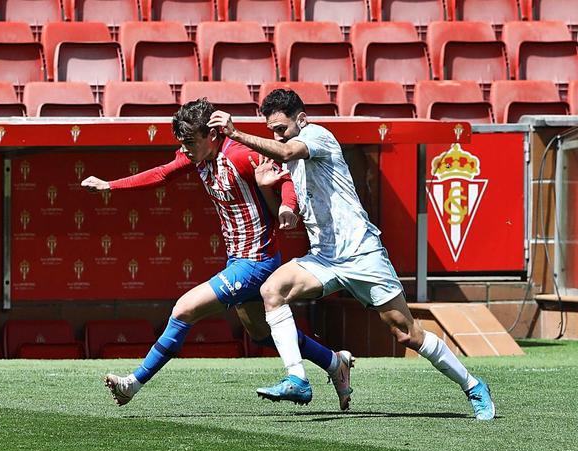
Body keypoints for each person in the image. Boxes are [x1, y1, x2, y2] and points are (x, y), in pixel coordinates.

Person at [206, 89, 496, 420]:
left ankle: (473, 385)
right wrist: (268, 191)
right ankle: (297, 378)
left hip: (362, 255)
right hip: (325, 258)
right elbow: (290, 217)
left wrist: (236, 133)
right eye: (272, 129)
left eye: (281, 128)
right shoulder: (295, 161)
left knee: (407, 333)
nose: (277, 135)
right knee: (272, 291)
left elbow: (287, 150)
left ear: (301, 120)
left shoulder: (317, 136)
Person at [81, 98, 354, 409]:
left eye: (189, 142)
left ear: (212, 135)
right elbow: (161, 174)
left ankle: (133, 383)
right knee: (262, 333)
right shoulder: (197, 155)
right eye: (181, 142)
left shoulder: (240, 155)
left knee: (184, 309)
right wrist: (109, 186)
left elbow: (287, 176)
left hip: (257, 261)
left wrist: (288, 207)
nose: (184, 149)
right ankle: (334, 362)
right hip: (238, 259)